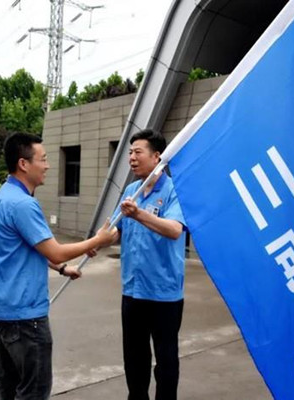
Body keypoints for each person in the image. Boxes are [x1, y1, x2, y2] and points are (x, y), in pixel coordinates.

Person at [0, 132, 117, 400]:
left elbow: (28, 248)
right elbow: (54, 249)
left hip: (4, 309)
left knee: (10, 387)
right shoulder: (22, 204)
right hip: (24, 316)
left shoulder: (3, 196)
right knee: (34, 391)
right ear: (24, 164)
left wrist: (62, 268)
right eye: (43, 159)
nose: (48, 165)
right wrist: (98, 240)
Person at [113, 129, 187, 400]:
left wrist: (139, 214)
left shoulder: (174, 190)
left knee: (166, 360)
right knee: (134, 358)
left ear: (157, 157)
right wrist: (96, 242)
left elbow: (174, 229)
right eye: (130, 153)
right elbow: (116, 229)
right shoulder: (131, 191)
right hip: (132, 291)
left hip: (163, 294)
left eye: (137, 152)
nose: (131, 158)